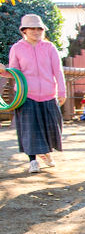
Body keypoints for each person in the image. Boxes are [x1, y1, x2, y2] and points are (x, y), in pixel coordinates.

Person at [0, 14, 66, 173]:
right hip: (26, 95)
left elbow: (57, 70)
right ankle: (33, 161)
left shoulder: (50, 47)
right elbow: (15, 71)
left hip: (49, 94)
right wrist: (4, 72)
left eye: (39, 28)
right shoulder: (17, 48)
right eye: (32, 28)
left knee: (52, 126)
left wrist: (61, 91)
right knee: (30, 129)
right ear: (24, 30)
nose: (36, 31)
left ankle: (47, 153)